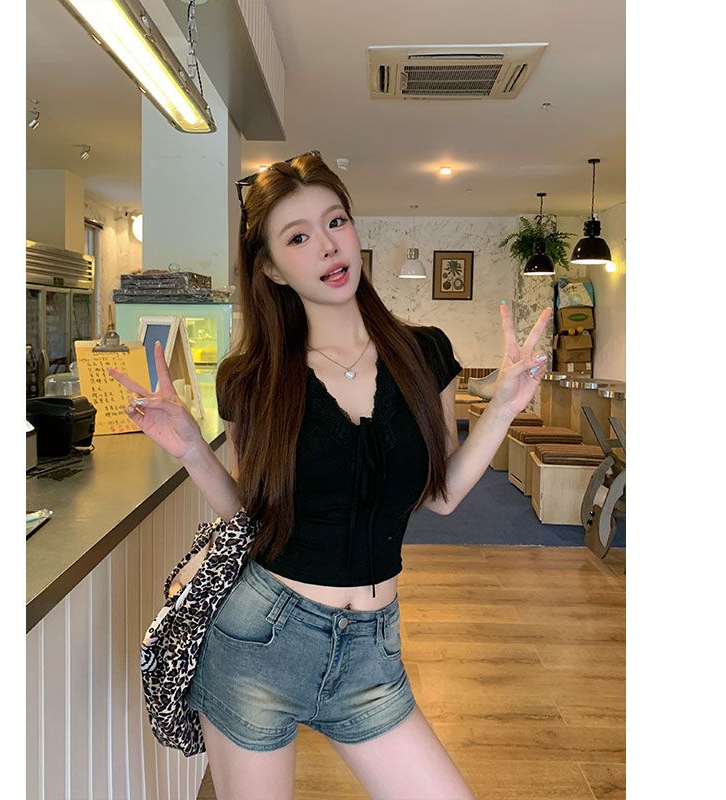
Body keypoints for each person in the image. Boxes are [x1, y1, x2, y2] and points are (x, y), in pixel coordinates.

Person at [109, 152, 551, 800]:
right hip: (260, 643)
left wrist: (506, 406)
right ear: (270, 268)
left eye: (335, 221)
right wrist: (190, 449)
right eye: (297, 237)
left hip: (373, 654)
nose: (327, 245)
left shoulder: (424, 352)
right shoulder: (250, 379)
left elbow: (444, 495)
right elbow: (252, 515)